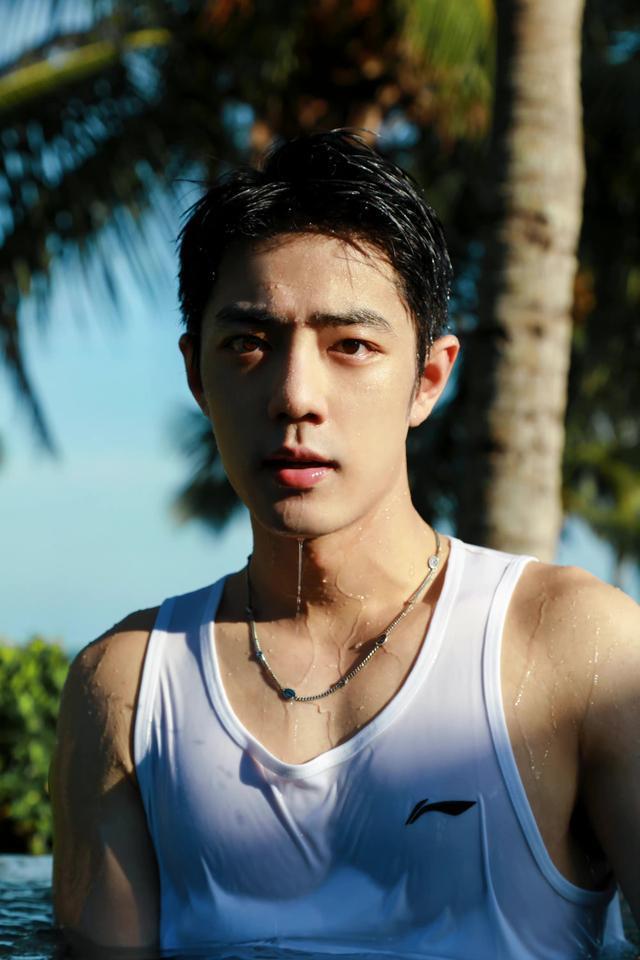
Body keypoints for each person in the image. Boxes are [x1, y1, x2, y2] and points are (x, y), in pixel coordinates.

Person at [50, 130, 640, 958]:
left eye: (351, 346)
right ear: (195, 375)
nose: (296, 394)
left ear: (428, 379)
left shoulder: (575, 651)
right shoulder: (127, 688)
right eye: (248, 343)